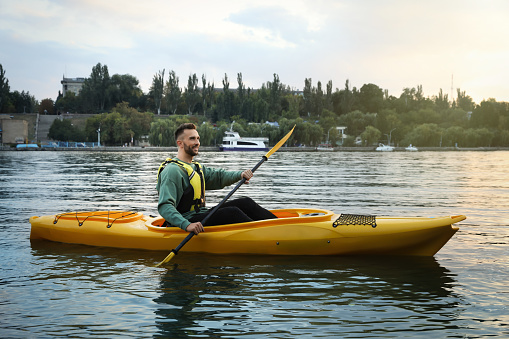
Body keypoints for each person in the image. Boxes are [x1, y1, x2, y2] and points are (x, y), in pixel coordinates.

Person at [156, 123, 276, 235]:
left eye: (198, 138)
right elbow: (165, 206)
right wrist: (187, 225)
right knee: (232, 213)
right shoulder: (172, 171)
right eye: (192, 138)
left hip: (200, 215)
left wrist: (240, 175)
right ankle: (266, 237)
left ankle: (279, 227)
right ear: (180, 143)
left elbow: (219, 177)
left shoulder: (196, 167)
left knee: (246, 203)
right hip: (184, 222)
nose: (197, 142)